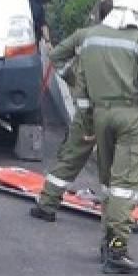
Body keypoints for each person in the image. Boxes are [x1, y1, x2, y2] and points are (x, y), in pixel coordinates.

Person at [47, 0, 138, 275]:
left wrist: (87, 121)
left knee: (108, 183)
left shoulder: (92, 37)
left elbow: (82, 87)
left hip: (100, 115)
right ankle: (117, 249)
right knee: (125, 185)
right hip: (131, 117)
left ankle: (107, 242)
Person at [29, 54, 91, 222]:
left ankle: (47, 205)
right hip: (123, 111)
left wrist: (74, 81)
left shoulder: (89, 40)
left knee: (71, 158)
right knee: (116, 164)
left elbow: (57, 55)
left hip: (89, 109)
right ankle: (118, 217)